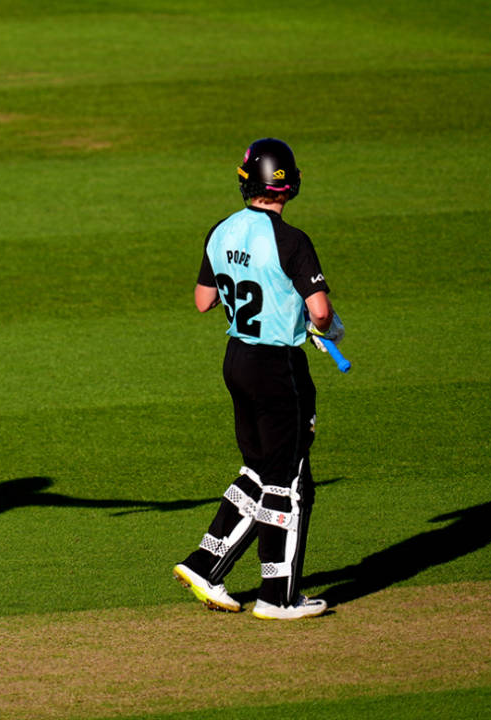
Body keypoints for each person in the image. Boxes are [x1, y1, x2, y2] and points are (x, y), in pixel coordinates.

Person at [172, 138, 345, 620]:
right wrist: (323, 326)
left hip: (237, 360)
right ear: (289, 183)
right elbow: (321, 311)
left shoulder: (221, 230)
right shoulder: (292, 241)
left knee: (257, 469)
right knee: (286, 479)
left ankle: (205, 562)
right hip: (277, 367)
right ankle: (278, 596)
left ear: (246, 180)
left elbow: (204, 300)